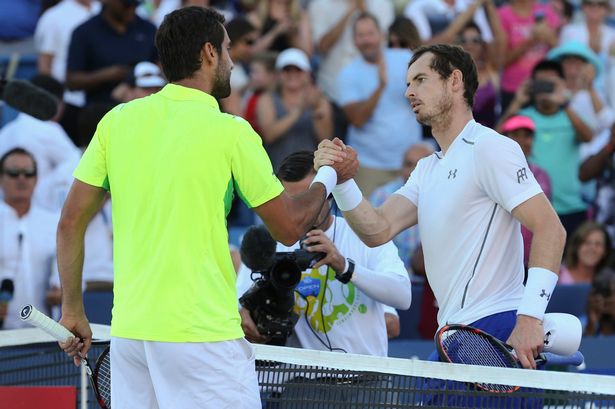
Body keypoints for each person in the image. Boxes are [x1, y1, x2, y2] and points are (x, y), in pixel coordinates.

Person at [56, 7, 356, 409]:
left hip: (131, 337)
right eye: (229, 50)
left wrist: (72, 309)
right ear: (210, 53)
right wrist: (328, 175)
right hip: (200, 336)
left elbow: (71, 221)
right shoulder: (230, 131)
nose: (233, 61)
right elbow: (289, 227)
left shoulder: (117, 121)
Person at [315, 44, 566, 369]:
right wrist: (344, 180)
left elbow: (551, 229)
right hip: (452, 336)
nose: (409, 92)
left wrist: (530, 317)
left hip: (498, 328)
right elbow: (378, 229)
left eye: (420, 80)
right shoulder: (427, 168)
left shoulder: (489, 146)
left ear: (455, 80)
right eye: (407, 84)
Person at [237, 150, 410, 407]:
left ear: (327, 195)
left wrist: (344, 266)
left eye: (306, 199)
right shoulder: (270, 242)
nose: (299, 210)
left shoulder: (364, 234)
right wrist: (246, 319)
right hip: (301, 385)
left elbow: (403, 296)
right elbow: (238, 312)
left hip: (368, 380)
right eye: (291, 201)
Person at [501, 59, 593, 237]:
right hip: (533, 210)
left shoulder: (570, 115)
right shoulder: (522, 116)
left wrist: (563, 102)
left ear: (562, 85)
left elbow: (588, 136)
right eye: (540, 84)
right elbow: (496, 140)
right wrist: (517, 102)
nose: (545, 89)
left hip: (571, 207)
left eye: (551, 84)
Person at [337, 12, 422, 197]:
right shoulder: (348, 74)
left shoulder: (406, 59)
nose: (366, 40)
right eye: (361, 35)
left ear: (382, 35)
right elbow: (358, 119)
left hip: (408, 164)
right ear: (354, 40)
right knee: (366, 223)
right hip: (368, 166)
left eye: (370, 33)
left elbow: (425, 98)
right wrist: (380, 87)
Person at [0, 148, 59, 330]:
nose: (22, 179)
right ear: (1, 177)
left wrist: (63, 292)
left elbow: (73, 276)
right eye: (14, 173)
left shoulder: (54, 222)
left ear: (36, 178)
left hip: (44, 336)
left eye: (28, 173)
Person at [66, 0, 158, 104]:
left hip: (144, 107)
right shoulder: (85, 32)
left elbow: (162, 68)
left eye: (136, 4)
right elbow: (71, 81)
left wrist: (142, 75)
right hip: (100, 109)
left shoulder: (148, 29)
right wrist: (105, 75)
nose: (132, 9)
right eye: (126, 5)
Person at [257, 48, 333, 171]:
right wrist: (299, 111)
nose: (292, 75)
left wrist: (315, 110)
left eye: (298, 70)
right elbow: (269, 135)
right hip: (277, 172)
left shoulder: (319, 100)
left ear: (308, 74)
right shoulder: (267, 99)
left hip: (310, 172)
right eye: (287, 70)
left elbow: (325, 138)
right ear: (278, 74)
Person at [369, 142, 434, 271]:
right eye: (408, 164)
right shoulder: (382, 195)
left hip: (429, 279)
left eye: (419, 165)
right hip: (390, 275)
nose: (412, 171)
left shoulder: (444, 196)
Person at [500, 115, 551, 268]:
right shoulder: (491, 173)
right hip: (500, 261)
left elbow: (545, 220)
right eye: (515, 135)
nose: (521, 141)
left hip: (532, 260)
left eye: (527, 136)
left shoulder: (542, 175)